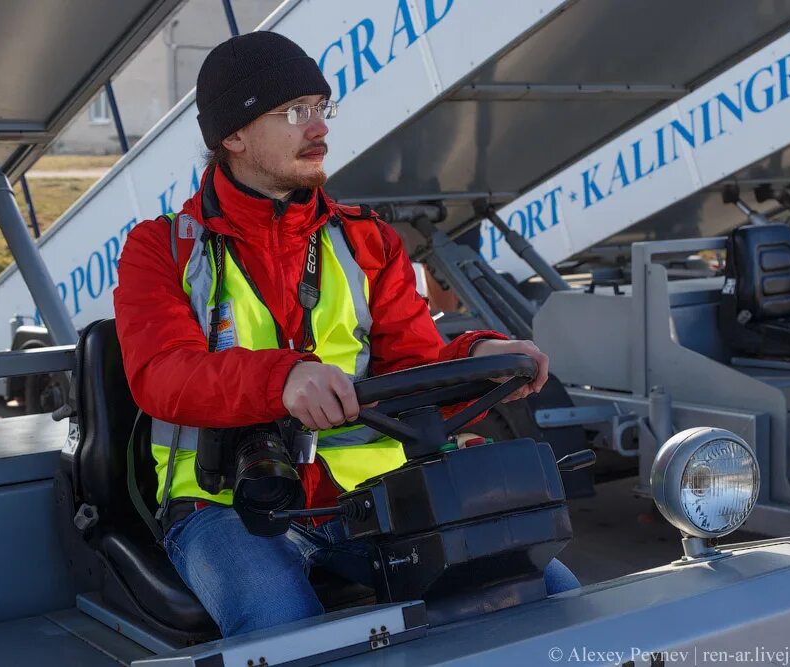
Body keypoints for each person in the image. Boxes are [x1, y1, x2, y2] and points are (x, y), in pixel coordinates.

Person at [113, 31, 579, 637]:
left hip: (371, 495)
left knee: (548, 590)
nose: (319, 128)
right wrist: (284, 379)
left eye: (320, 107)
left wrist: (477, 356)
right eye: (294, 112)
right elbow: (163, 376)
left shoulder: (367, 239)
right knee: (285, 630)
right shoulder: (161, 248)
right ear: (233, 136)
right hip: (224, 504)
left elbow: (412, 370)